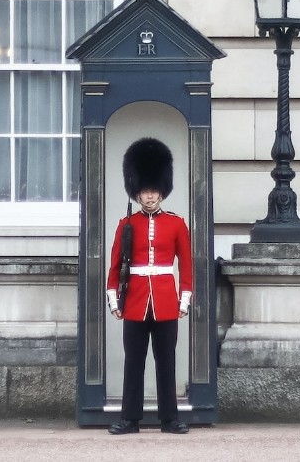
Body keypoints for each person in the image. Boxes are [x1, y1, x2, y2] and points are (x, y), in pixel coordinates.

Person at [106, 137, 192, 435]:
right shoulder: (125, 224)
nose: (150, 195)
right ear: (137, 191)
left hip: (167, 300)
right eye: (144, 190)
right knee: (134, 362)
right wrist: (115, 301)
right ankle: (130, 419)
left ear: (162, 190)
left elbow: (186, 266)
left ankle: (170, 419)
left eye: (154, 190)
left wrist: (184, 300)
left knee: (166, 362)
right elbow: (116, 266)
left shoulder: (177, 223)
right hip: (135, 301)